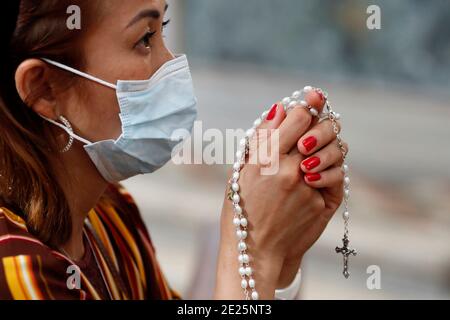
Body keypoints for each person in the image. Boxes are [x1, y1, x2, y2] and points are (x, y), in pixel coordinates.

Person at [0, 0, 347, 300]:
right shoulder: (17, 269)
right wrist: (254, 255)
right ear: (43, 89)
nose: (172, 64)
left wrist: (281, 258)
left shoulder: (109, 216)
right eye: (145, 39)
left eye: (163, 26)